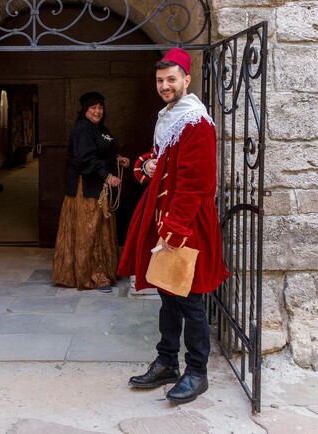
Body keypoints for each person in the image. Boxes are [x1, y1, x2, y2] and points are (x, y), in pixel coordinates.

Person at [118, 48, 230, 404]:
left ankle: (197, 371)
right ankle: (167, 361)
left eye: (171, 79)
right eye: (160, 81)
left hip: (187, 224)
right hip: (165, 219)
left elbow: (196, 183)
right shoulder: (169, 116)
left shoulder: (196, 121)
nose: (165, 86)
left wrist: (174, 230)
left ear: (186, 79)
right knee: (167, 297)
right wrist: (145, 167)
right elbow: (161, 158)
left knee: (191, 301)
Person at [52, 92, 130, 293]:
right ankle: (90, 276)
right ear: (85, 110)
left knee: (100, 228)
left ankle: (102, 270)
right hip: (85, 187)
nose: (97, 111)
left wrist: (117, 159)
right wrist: (107, 176)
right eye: (93, 108)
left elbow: (105, 150)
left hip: (99, 185)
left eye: (100, 108)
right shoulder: (81, 129)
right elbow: (86, 158)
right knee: (89, 229)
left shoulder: (100, 128)